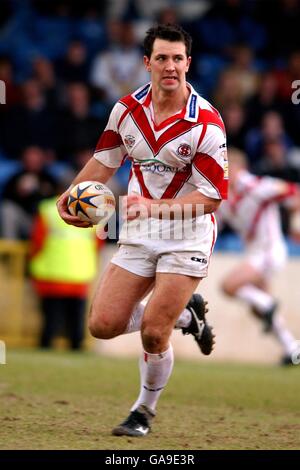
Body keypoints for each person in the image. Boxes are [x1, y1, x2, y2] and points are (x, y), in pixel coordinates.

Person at [57, 24, 228, 436]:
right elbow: (104, 161)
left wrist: (153, 206)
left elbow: (211, 198)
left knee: (154, 331)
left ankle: (142, 412)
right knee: (102, 324)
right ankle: (187, 319)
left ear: (188, 62)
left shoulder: (206, 123)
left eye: (178, 58)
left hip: (186, 233)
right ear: (147, 62)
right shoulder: (126, 111)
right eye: (162, 58)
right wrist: (72, 197)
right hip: (140, 231)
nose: (171, 66)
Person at [217, 148, 299, 365]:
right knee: (257, 309)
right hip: (255, 254)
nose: (224, 170)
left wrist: (294, 224)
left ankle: (268, 304)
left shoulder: (255, 186)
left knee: (228, 286)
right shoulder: (223, 194)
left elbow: (292, 192)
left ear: (240, 168)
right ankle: (292, 348)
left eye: (228, 166)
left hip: (270, 252)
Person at [29, 187, 102, 350]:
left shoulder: (47, 209)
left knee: (51, 318)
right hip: (79, 274)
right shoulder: (94, 210)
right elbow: (98, 243)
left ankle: (46, 345)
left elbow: (37, 240)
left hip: (52, 273)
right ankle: (76, 346)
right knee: (76, 319)